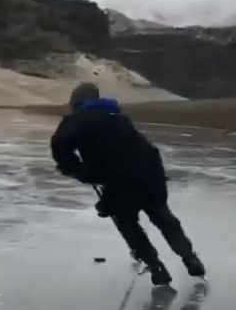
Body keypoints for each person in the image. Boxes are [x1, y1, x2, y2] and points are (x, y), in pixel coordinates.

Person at [50, 82, 206, 286]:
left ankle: (156, 267)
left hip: (119, 177)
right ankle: (189, 257)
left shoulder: (78, 120)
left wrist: (81, 172)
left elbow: (59, 145)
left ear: (76, 102)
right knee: (162, 216)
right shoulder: (119, 117)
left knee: (127, 222)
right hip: (150, 172)